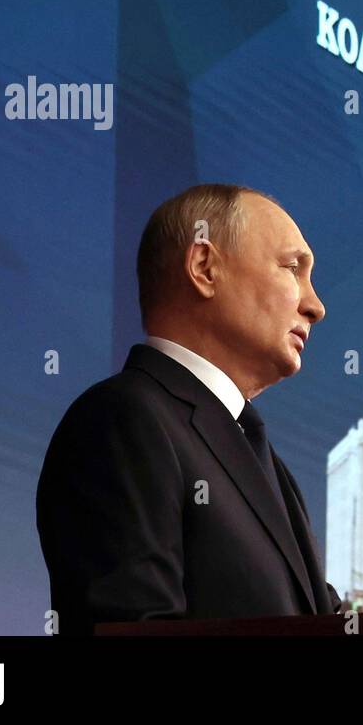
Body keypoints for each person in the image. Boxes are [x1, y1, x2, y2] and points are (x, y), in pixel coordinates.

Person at [36, 183, 340, 635]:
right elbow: (134, 628)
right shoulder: (122, 419)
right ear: (204, 267)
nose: (315, 306)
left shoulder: (272, 468)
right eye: (292, 268)